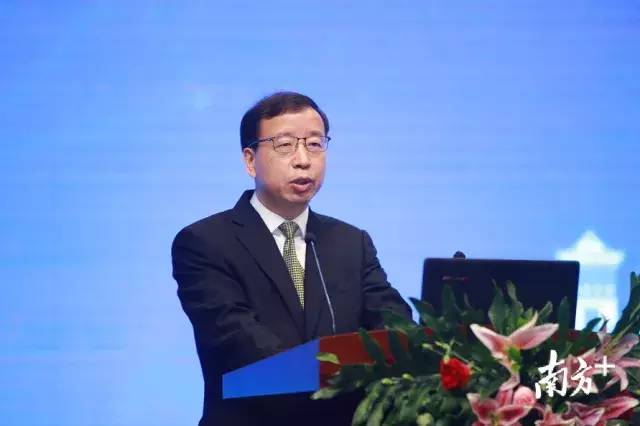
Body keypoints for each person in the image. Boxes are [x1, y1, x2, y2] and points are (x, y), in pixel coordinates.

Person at [171, 91, 412, 425]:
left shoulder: (350, 242)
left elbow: (395, 327)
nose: (303, 160)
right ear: (250, 160)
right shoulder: (205, 242)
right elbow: (240, 343)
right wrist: (344, 374)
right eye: (284, 145)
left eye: (314, 144)